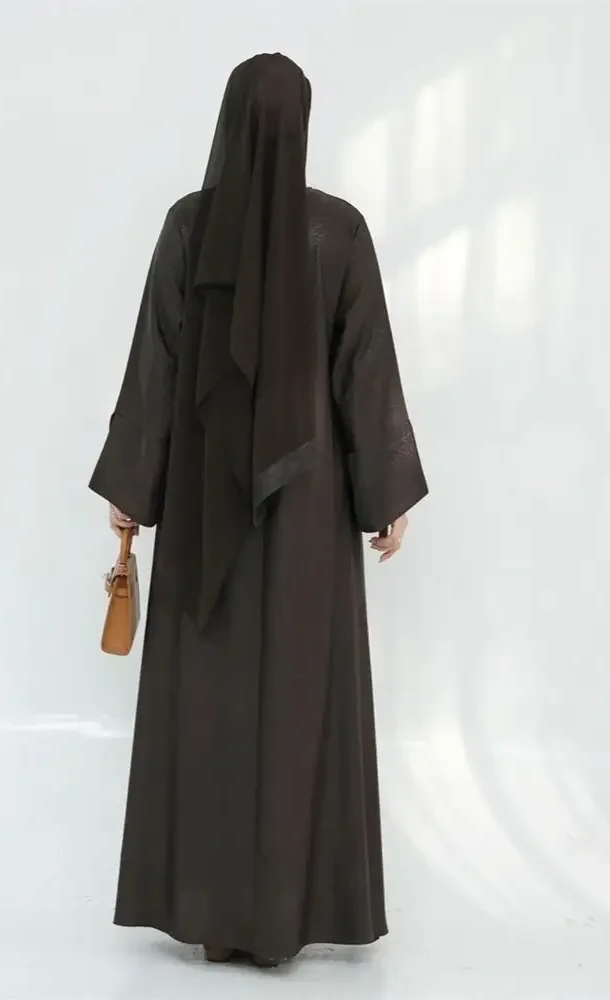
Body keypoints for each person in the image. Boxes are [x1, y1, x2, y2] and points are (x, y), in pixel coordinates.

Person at [89, 53, 428, 968]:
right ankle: (290, 911)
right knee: (300, 697)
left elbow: (157, 362)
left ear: (229, 122)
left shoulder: (190, 225)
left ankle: (212, 908)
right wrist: (384, 494)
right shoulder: (339, 230)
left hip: (205, 507)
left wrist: (133, 490)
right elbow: (364, 369)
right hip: (311, 509)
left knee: (210, 696)